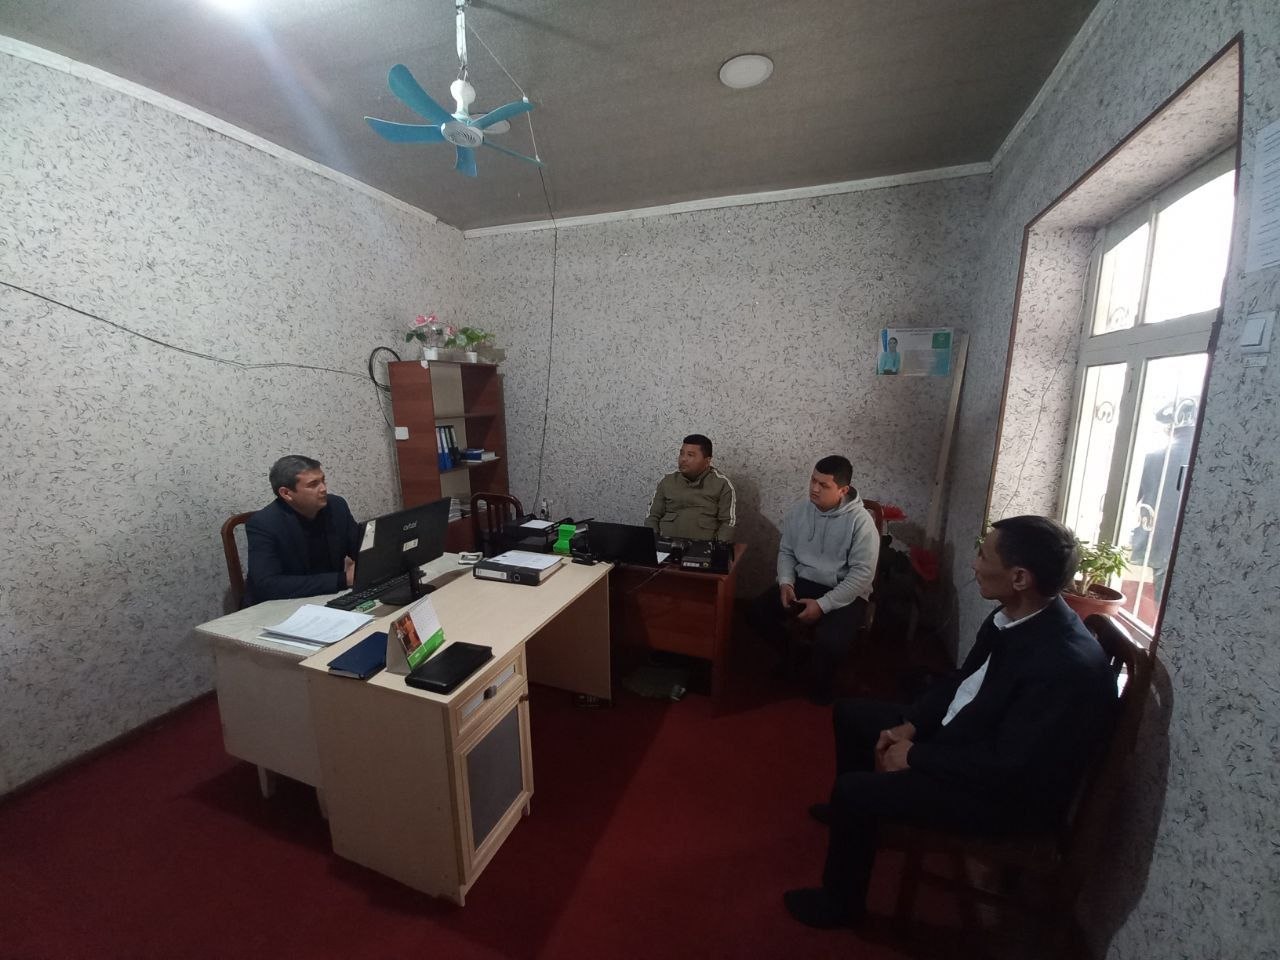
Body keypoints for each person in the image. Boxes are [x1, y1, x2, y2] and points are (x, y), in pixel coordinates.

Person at [783, 515, 1116, 930]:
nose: (974, 564)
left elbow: (1010, 768)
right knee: (852, 714)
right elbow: (962, 681)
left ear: (1019, 577)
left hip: (1001, 798)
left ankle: (839, 903)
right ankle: (853, 821)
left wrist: (916, 756)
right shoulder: (1016, 616)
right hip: (973, 737)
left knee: (854, 790)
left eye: (984, 555)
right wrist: (914, 725)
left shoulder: (1064, 665)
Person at [753, 455, 880, 703]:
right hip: (806, 580)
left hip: (845, 590)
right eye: (813, 480)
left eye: (823, 485)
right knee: (756, 612)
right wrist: (786, 582)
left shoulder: (861, 522)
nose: (814, 488)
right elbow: (787, 551)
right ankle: (797, 655)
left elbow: (862, 576)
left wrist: (822, 605)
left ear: (843, 490)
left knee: (830, 641)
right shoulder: (800, 511)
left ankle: (821, 684)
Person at [243, 455, 362, 605]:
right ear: (286, 493)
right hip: (282, 604)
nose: (323, 489)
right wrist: (343, 579)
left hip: (328, 597)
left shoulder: (336, 506)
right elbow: (267, 584)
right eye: (313, 484)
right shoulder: (264, 523)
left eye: (323, 480)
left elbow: (361, 548)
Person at [1128, 398, 1196, 602]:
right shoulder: (1204, 458)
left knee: (1162, 600)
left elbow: (1132, 501)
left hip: (1158, 541)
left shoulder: (1154, 458)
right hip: (1188, 545)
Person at [644, 434, 737, 541]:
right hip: (666, 545)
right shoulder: (668, 481)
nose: (683, 459)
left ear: (707, 461)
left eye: (690, 455)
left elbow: (728, 522)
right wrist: (654, 542)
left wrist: (717, 547)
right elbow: (652, 516)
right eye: (681, 454)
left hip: (703, 547)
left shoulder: (721, 484)